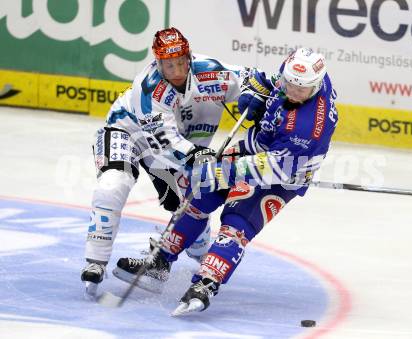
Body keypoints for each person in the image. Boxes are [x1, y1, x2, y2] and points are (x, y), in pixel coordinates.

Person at [115, 47, 339, 315]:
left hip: (284, 172)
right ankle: (159, 263)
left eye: (300, 90)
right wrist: (255, 93)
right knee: (199, 196)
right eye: (288, 83)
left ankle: (206, 282)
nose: (291, 91)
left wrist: (220, 172)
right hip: (258, 145)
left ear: (314, 87)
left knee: (237, 222)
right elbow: (264, 80)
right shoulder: (301, 76)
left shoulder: (309, 126)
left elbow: (269, 169)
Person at [80, 27, 258, 296]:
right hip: (128, 132)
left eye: (180, 62)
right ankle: (96, 262)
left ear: (189, 57)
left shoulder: (212, 72)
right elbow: (164, 142)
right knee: (113, 184)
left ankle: (189, 259)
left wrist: (256, 95)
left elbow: (257, 81)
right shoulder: (149, 87)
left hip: (178, 145)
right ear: (157, 62)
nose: (175, 70)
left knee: (192, 201)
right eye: (168, 64)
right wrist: (195, 153)